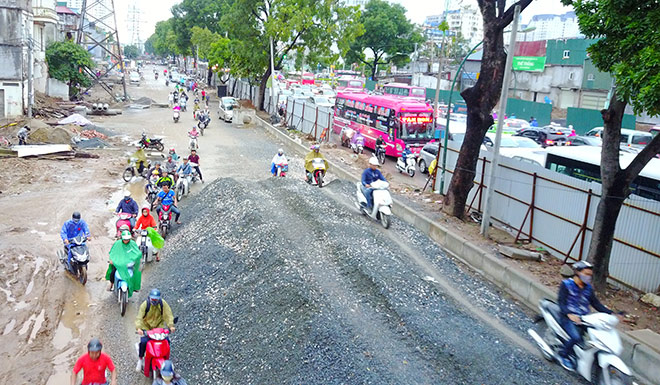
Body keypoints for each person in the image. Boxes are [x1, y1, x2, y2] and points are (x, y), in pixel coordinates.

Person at [557, 261, 616, 371]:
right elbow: (561, 302)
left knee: (597, 335)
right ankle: (562, 355)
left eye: (590, 275)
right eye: (586, 274)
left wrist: (611, 313)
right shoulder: (566, 285)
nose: (588, 277)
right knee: (576, 337)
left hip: (584, 318)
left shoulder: (588, 288)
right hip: (567, 317)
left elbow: (596, 304)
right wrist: (569, 314)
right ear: (577, 272)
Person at [135, 289, 175, 372]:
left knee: (166, 341)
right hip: (147, 328)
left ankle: (166, 360)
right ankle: (140, 359)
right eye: (153, 299)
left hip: (158, 328)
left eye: (156, 299)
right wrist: (139, 328)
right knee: (143, 342)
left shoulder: (163, 304)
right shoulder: (145, 305)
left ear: (159, 299)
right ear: (150, 298)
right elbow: (139, 317)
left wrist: (171, 326)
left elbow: (168, 315)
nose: (154, 301)